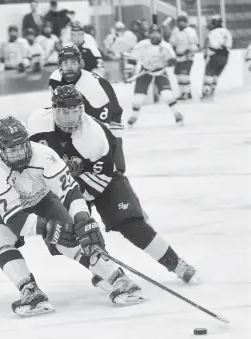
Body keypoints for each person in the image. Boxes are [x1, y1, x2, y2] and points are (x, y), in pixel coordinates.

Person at [27, 85, 202, 291]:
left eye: (75, 111)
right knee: (66, 232)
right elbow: (30, 163)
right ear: (54, 109)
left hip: (101, 179)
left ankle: (176, 263)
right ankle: (104, 272)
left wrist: (78, 207)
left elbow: (99, 180)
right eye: (65, 112)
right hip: (62, 183)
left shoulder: (94, 136)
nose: (71, 118)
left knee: (129, 223)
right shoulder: (37, 124)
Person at [0, 116, 147, 316]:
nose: (18, 153)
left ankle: (116, 277)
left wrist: (83, 218)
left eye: (21, 145)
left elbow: (70, 192)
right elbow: (16, 221)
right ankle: (29, 290)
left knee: (73, 238)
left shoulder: (44, 154)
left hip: (42, 200)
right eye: (11, 149)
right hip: (7, 212)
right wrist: (48, 227)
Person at [48, 44, 126, 173]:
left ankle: (119, 175)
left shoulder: (93, 88)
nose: (69, 67)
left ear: (80, 64)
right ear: (60, 65)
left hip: (109, 111)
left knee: (110, 144)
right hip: (82, 108)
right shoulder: (55, 79)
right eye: (65, 63)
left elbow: (102, 129)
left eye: (73, 62)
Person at [124, 24, 184, 126]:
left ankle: (176, 114)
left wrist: (171, 62)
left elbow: (172, 59)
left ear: (161, 34)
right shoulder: (142, 45)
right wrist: (128, 70)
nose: (155, 35)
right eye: (152, 33)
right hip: (145, 71)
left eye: (157, 33)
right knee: (138, 98)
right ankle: (134, 116)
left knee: (167, 94)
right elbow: (133, 58)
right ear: (149, 34)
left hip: (160, 72)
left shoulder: (166, 46)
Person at [201, 15, 232, 101]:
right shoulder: (227, 32)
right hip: (225, 57)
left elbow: (208, 44)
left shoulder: (213, 32)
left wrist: (205, 54)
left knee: (208, 74)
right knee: (216, 76)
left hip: (215, 55)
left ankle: (206, 94)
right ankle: (212, 91)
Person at [169, 15, 199, 100]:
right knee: (178, 76)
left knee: (184, 75)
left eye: (182, 21)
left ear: (186, 22)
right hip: (177, 56)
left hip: (187, 56)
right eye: (179, 21)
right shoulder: (175, 31)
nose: (180, 23)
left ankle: (187, 93)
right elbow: (172, 43)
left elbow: (194, 45)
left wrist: (190, 52)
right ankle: (183, 92)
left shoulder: (190, 31)